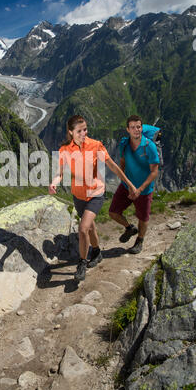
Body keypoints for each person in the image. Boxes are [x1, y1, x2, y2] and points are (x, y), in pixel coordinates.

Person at [48, 115, 137, 282]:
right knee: (89, 227)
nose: (83, 133)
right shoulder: (65, 150)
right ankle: (97, 252)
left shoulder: (96, 146)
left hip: (95, 193)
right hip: (78, 195)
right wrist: (54, 182)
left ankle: (82, 263)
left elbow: (113, 166)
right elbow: (60, 172)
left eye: (85, 129)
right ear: (71, 132)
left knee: (83, 228)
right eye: (79, 131)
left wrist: (129, 184)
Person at [109, 115, 160, 254]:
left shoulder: (149, 147)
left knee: (143, 218)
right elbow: (123, 161)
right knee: (113, 212)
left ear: (141, 128)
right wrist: (125, 181)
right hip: (126, 186)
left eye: (138, 127)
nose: (136, 130)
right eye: (133, 127)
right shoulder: (124, 144)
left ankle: (140, 240)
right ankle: (129, 228)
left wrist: (140, 189)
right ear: (128, 129)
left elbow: (154, 172)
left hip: (144, 190)